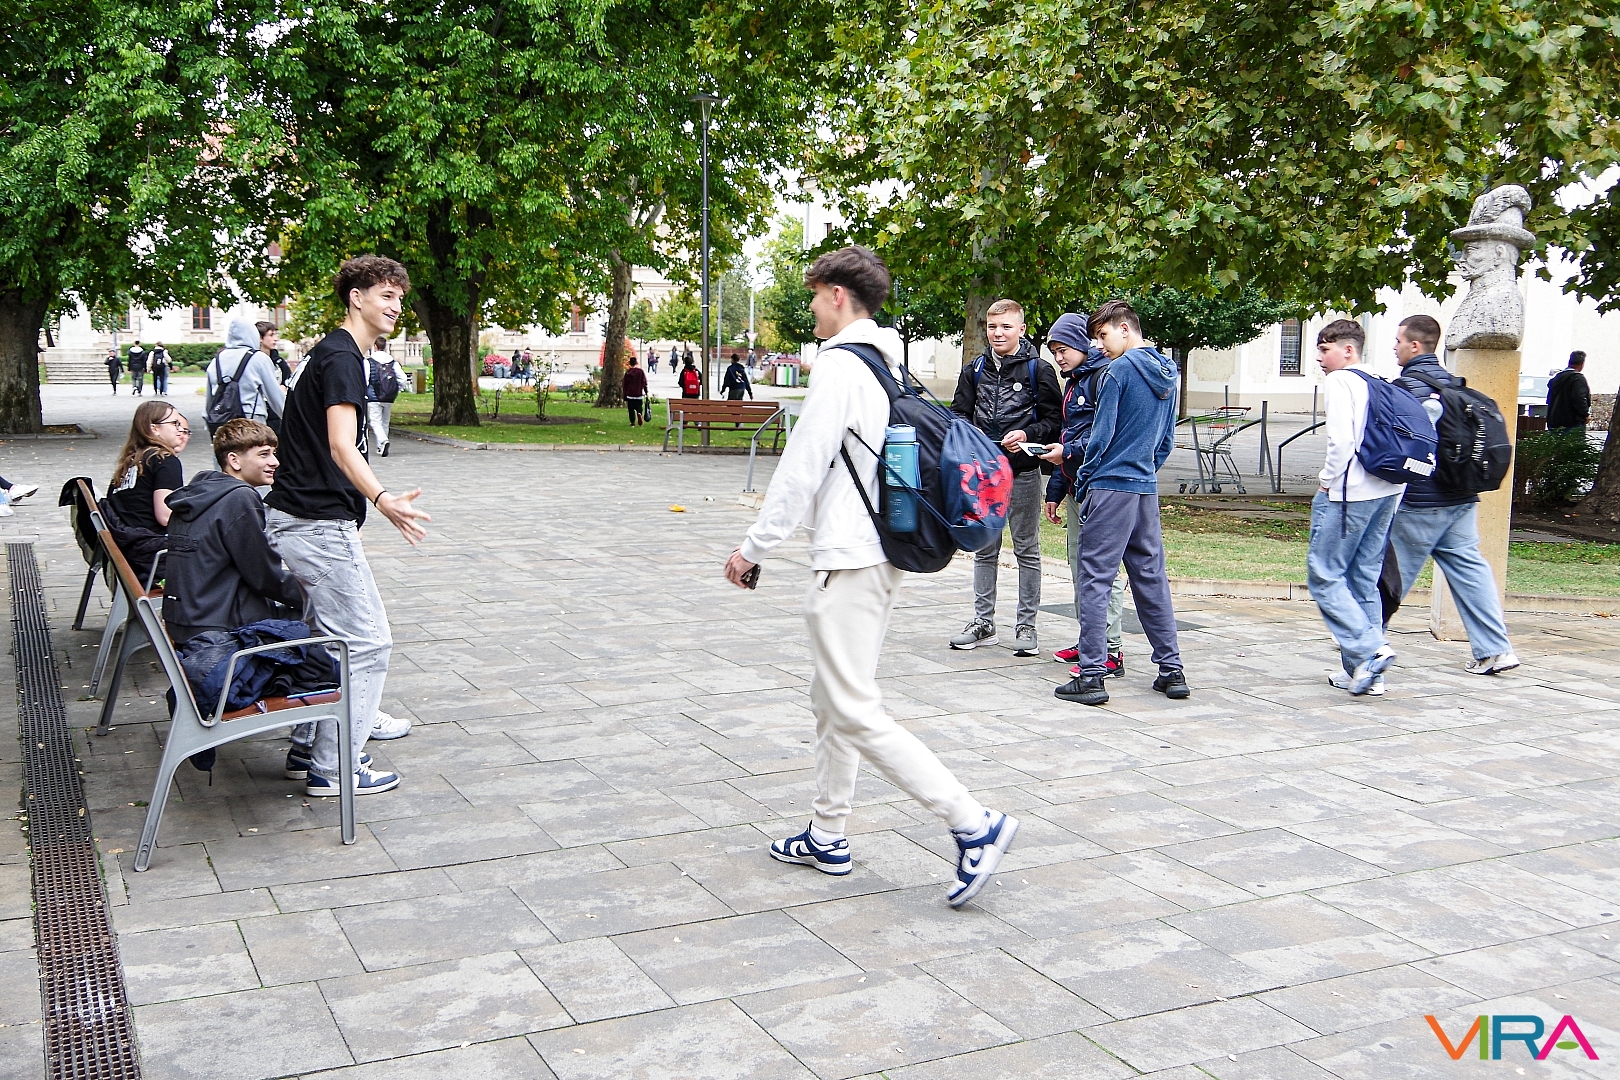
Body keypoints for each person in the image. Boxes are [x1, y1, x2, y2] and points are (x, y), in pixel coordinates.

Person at [723, 244, 1018, 908]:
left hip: (849, 558)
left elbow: (803, 463)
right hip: (879, 552)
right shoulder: (886, 362)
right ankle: (827, 833)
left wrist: (753, 546)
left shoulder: (839, 365)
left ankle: (973, 822)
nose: (811, 308)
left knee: (852, 707)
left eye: (813, 295)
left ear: (837, 295)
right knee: (833, 698)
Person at [264, 255, 430, 797]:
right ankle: (335, 768)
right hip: (314, 523)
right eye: (386, 295)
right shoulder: (340, 358)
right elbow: (341, 445)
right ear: (356, 298)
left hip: (303, 519)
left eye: (400, 298)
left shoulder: (335, 354)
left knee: (328, 638)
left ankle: (308, 745)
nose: (396, 307)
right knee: (368, 642)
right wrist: (382, 500)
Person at [1053, 300, 1188, 706]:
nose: (1099, 345)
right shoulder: (1169, 371)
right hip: (1144, 487)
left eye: (1102, 335)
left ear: (1125, 329)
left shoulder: (1118, 371)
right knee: (1151, 578)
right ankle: (1172, 670)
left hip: (1110, 486)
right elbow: (1166, 441)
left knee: (1095, 578)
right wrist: (1144, 469)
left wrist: (1085, 477)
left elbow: (1101, 436)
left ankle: (1092, 675)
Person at [1388, 315, 1519, 681]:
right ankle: (1496, 649)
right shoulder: (1454, 386)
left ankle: (1363, 648)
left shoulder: (1408, 389)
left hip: (1421, 503)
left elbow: (1407, 446)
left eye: (1399, 341)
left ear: (1415, 345)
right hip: (1462, 498)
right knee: (1470, 570)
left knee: (1389, 577)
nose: (1395, 347)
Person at [947, 298, 1062, 657]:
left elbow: (1055, 422)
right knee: (985, 548)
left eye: (1006, 327)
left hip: (1024, 474)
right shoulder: (974, 369)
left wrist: (1027, 434)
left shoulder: (1039, 370)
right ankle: (983, 623)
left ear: (1021, 330)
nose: (998, 333)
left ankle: (1026, 626)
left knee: (1027, 550)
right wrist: (973, 435)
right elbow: (958, 414)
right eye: (992, 326)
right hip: (983, 476)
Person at [1306, 318, 1404, 696]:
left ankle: (1370, 649)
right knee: (1363, 578)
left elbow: (1342, 442)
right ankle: (1366, 674)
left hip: (1350, 494)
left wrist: (1327, 480)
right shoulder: (1381, 379)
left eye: (1325, 349)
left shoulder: (1341, 381)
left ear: (1348, 350)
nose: (1319, 358)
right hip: (1387, 490)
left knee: (1325, 575)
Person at [162, 419, 306, 645]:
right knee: (319, 619)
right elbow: (264, 576)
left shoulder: (201, 491)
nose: (275, 462)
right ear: (234, 460)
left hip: (187, 620)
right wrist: (313, 594)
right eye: (264, 454)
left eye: (274, 453)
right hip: (222, 628)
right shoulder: (239, 497)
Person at [1039, 313, 1127, 680]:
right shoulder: (1074, 381)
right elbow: (1068, 433)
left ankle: (1110, 649)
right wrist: (1055, 491)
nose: (1058, 358)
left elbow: (1103, 435)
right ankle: (1090, 640)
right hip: (1075, 486)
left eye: (1063, 350)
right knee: (1079, 567)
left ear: (1081, 344)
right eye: (1053, 352)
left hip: (1100, 488)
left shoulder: (1103, 377)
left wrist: (1069, 452)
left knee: (1102, 571)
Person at [108, 401, 191, 534]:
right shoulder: (164, 460)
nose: (179, 429)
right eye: (174, 423)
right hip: (152, 541)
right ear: (155, 429)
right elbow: (165, 517)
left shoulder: (129, 462)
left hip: (126, 538)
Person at [207, 318, 287, 435]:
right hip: (252, 422)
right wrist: (290, 419)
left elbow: (210, 400)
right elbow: (276, 397)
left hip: (222, 423)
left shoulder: (216, 360)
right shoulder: (259, 358)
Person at [365, 336, 406, 457]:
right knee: (385, 422)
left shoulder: (369, 362)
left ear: (375, 346)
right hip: (389, 397)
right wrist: (397, 389)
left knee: (375, 421)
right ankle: (381, 447)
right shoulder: (393, 362)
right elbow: (403, 379)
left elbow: (365, 379)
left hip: (374, 396)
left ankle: (383, 441)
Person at [1546, 351, 1590, 432]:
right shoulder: (1577, 379)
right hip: (1572, 422)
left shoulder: (1557, 378)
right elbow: (1579, 398)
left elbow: (1549, 399)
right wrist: (1585, 414)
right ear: (1582, 364)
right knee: (1574, 440)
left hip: (1554, 421)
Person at [623, 356, 649, 426]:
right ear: (636, 363)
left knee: (631, 409)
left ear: (630, 363)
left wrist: (624, 395)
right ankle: (639, 413)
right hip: (638, 394)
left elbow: (625, 384)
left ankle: (632, 422)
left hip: (630, 394)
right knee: (639, 407)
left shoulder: (628, 373)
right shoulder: (640, 372)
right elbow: (644, 382)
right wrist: (646, 391)